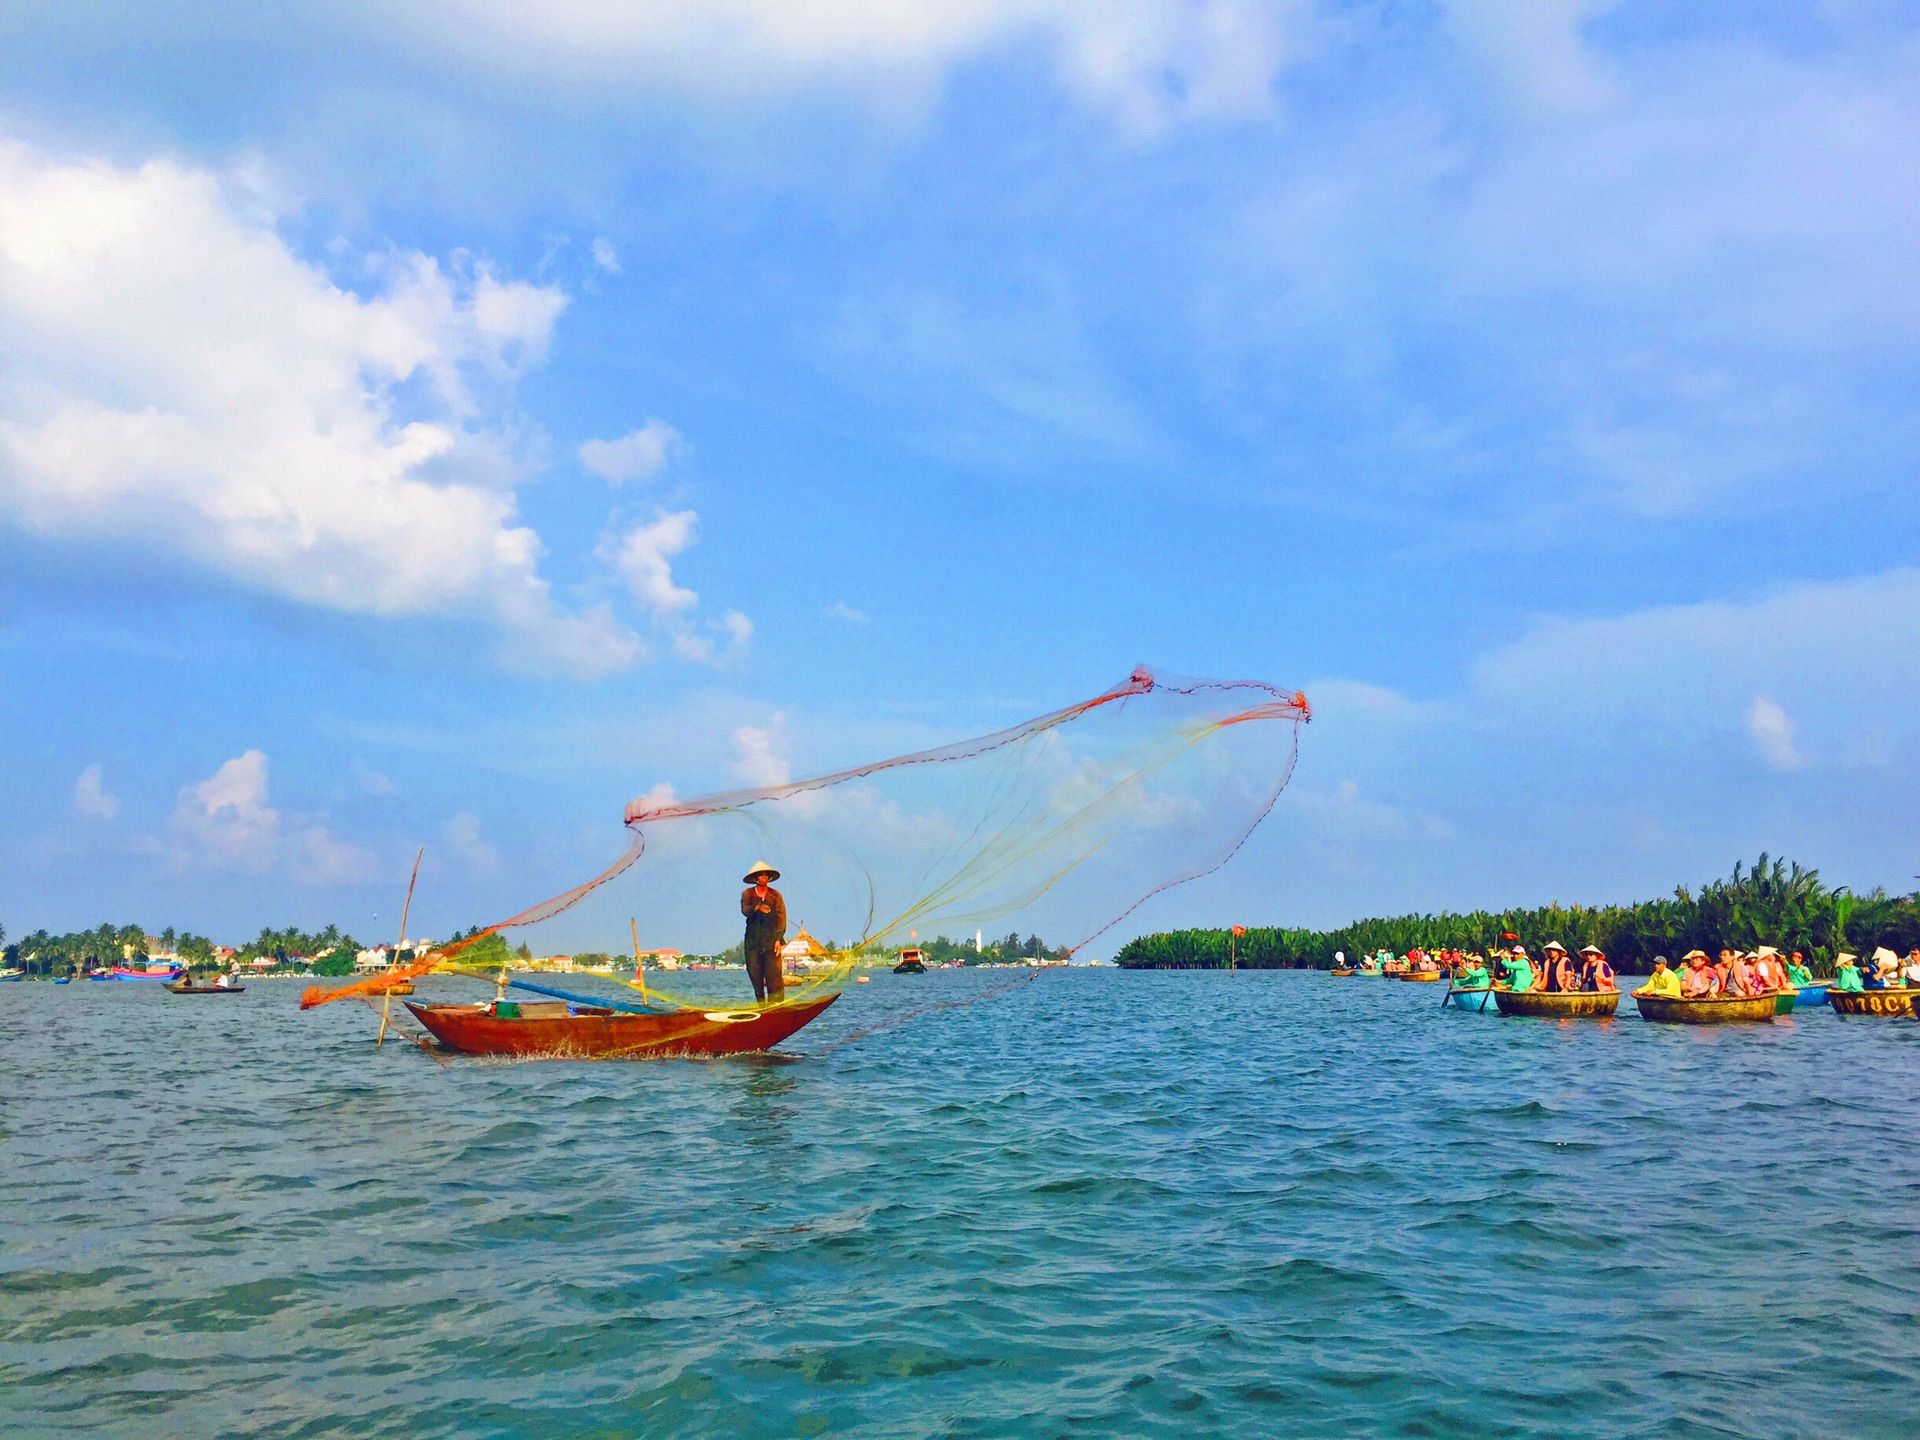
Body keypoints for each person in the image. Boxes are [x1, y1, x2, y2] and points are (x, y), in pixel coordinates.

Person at [739, 862, 788, 1003]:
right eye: (760, 875)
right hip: (752, 941)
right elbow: (745, 911)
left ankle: (777, 1006)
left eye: (766, 875)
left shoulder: (775, 895)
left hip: (771, 940)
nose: (763, 877)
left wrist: (779, 939)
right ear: (755, 878)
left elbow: (781, 918)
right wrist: (757, 907)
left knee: (774, 976)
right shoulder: (747, 894)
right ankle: (761, 1004)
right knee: (755, 973)